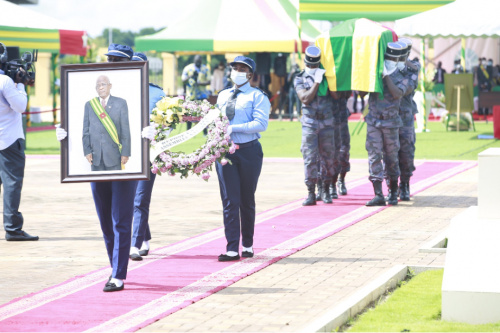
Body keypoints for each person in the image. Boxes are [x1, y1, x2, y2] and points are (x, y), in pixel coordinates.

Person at [56, 43, 139, 292]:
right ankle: (115, 264)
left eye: (118, 61)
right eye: (110, 59)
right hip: (97, 164)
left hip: (123, 165)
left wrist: (135, 147)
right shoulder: (89, 103)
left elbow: (127, 130)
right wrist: (66, 138)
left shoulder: (130, 98)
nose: (112, 65)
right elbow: (84, 131)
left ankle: (118, 274)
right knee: (105, 221)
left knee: (121, 219)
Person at [215, 56, 270, 262]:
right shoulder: (222, 96)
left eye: (242, 69)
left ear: (250, 74)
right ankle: (231, 248)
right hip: (225, 152)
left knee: (247, 200)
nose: (237, 71)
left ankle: (247, 245)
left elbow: (260, 124)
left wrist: (234, 128)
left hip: (248, 151)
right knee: (230, 200)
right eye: (234, 68)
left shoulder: (257, 96)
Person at [129, 52, 166, 261]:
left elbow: (168, 124)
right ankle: (144, 236)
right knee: (132, 199)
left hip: (148, 152)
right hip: (123, 153)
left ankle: (134, 244)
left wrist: (156, 133)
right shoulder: (116, 91)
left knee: (141, 198)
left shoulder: (157, 94)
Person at [0, 42, 38, 241]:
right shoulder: (5, 81)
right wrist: (21, 84)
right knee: (12, 184)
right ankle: (13, 229)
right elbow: (21, 106)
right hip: (8, 140)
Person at [363, 42, 408, 207]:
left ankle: (393, 192)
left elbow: (398, 94)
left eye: (391, 58)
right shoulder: (376, 72)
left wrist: (387, 75)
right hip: (374, 120)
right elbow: (361, 93)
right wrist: (370, 76)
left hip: (390, 122)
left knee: (391, 158)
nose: (389, 60)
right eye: (387, 57)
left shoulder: (401, 74)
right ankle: (378, 194)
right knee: (374, 156)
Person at [294, 46, 335, 206]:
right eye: (309, 66)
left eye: (314, 66)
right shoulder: (300, 78)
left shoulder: (326, 77)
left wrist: (329, 78)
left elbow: (337, 95)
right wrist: (317, 82)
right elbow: (305, 98)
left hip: (327, 123)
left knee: (327, 159)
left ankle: (325, 190)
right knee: (310, 159)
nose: (311, 68)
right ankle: (311, 192)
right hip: (309, 123)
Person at [82, 74, 131, 171]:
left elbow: (125, 130)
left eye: (103, 84)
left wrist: (125, 153)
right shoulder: (90, 105)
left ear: (110, 85)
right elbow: (86, 131)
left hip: (114, 156)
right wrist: (87, 151)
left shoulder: (120, 103)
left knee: (116, 185)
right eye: (98, 85)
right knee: (99, 186)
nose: (100, 88)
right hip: (95, 157)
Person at [392, 38, 420, 201]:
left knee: (407, 153)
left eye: (406, 52)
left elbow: (415, 70)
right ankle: (393, 187)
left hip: (406, 117)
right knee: (390, 154)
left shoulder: (411, 67)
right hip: (390, 117)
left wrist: (403, 61)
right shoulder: (390, 67)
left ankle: (405, 184)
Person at [182, 55, 210, 131]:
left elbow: (209, 81)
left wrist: (199, 83)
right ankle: (188, 131)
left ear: (201, 61)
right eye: (197, 61)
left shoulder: (205, 68)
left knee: (203, 114)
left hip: (202, 95)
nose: (198, 62)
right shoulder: (188, 68)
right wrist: (191, 76)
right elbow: (183, 80)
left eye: (199, 61)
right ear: (194, 60)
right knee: (189, 114)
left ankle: (204, 132)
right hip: (190, 95)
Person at [332, 92, 351, 197]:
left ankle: (341, 180)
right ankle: (331, 184)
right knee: (329, 153)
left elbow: (348, 93)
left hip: (341, 117)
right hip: (328, 117)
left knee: (344, 152)